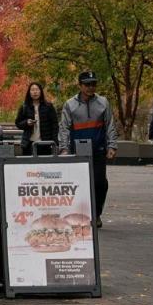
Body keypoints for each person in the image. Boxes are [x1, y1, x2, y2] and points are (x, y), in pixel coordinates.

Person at [58, 70, 119, 225]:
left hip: (98, 149)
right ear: (80, 85)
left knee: (100, 183)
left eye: (93, 84)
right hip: (77, 151)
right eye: (87, 84)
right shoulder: (70, 104)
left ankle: (96, 213)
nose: (91, 87)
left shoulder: (103, 102)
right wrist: (64, 149)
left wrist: (112, 145)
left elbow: (110, 125)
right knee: (78, 185)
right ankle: (80, 214)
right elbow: (64, 128)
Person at [16, 82, 58, 154]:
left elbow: (55, 124)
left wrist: (55, 141)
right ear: (29, 92)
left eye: (37, 89)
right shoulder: (24, 107)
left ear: (41, 91)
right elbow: (18, 123)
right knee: (29, 161)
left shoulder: (48, 106)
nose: (35, 92)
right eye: (32, 90)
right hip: (28, 144)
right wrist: (26, 122)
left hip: (45, 143)